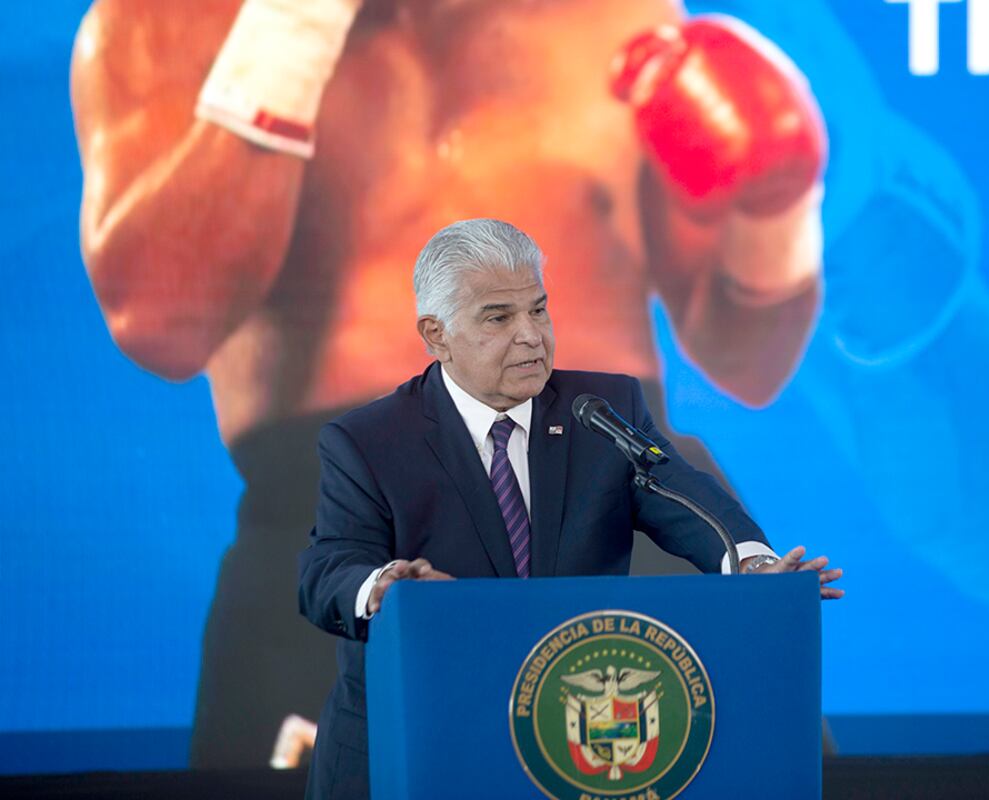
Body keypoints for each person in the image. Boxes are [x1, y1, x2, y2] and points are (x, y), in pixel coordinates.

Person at [70, 0, 826, 766]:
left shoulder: (610, 17)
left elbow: (752, 362)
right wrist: (291, 27)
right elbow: (160, 321)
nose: (528, 333)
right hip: (356, 519)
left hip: (612, 494)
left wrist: (777, 210)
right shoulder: (169, 22)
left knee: (749, 765)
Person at [297, 218, 843, 799]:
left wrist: (754, 567)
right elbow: (329, 568)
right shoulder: (370, 440)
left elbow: (688, 499)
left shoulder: (601, 410)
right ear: (436, 335)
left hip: (562, 743)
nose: (532, 336)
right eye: (499, 318)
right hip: (413, 739)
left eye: (539, 309)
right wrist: (384, 586)